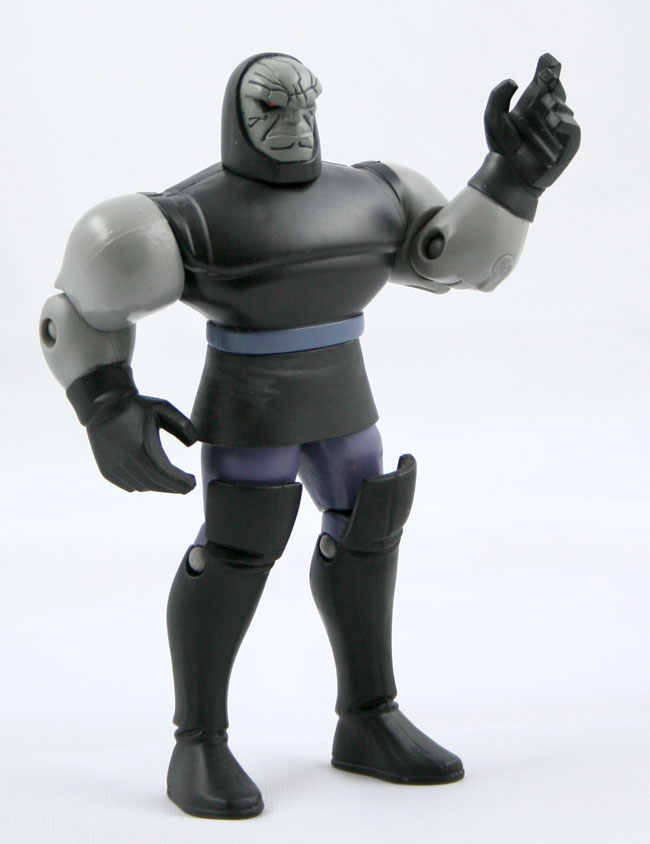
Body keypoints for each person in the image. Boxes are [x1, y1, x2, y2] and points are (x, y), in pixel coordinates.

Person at [40, 52, 580, 819]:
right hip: (250, 405)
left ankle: (369, 716)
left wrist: (513, 177)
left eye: (305, 103)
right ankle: (199, 741)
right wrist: (104, 403)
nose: (294, 123)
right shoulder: (190, 217)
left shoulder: (373, 194)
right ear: (240, 116)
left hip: (343, 398)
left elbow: (451, 258)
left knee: (370, 527)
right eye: (273, 107)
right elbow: (80, 305)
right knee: (236, 551)